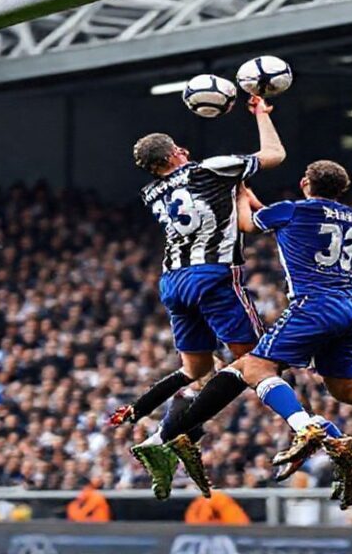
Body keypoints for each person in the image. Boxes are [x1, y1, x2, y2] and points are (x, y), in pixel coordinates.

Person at [144, 160, 352, 509]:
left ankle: (304, 427)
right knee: (347, 390)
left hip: (315, 305)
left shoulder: (290, 210)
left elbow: (247, 223)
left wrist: (237, 189)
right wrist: (249, 195)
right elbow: (280, 218)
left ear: (305, 182)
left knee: (254, 367)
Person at [109, 96, 286, 499]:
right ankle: (170, 436)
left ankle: (165, 435)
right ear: (174, 153)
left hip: (174, 281)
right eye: (179, 148)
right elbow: (275, 154)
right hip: (212, 275)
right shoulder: (211, 168)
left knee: (198, 369)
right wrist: (261, 114)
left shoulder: (152, 192)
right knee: (257, 362)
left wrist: (235, 185)